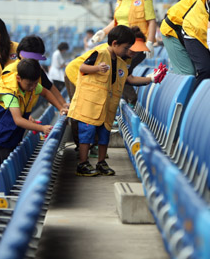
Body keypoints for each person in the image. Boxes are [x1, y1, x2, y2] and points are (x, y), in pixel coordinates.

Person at [68, 25, 166, 177]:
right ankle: (83, 163)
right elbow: (82, 67)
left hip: (107, 106)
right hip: (90, 104)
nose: (128, 52)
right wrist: (97, 69)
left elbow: (129, 79)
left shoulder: (121, 62)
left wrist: (151, 78)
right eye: (126, 48)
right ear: (114, 44)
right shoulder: (99, 53)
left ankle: (101, 162)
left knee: (104, 135)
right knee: (86, 135)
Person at [0, 58, 66, 182]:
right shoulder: (9, 92)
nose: (33, 88)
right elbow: (18, 120)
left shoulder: (31, 84)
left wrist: (60, 107)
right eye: (29, 85)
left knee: (7, 164)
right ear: (18, 79)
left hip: (5, 128)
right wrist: (42, 128)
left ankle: (2, 191)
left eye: (35, 83)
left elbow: (46, 92)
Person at [92, 0, 157, 61]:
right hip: (120, 43)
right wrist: (104, 32)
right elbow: (116, 22)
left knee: (122, 71)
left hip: (136, 43)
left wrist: (150, 42)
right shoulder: (120, 1)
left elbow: (152, 21)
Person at [160, 0, 210, 75]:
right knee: (187, 73)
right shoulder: (207, 1)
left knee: (200, 70)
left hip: (185, 32)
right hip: (172, 31)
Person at [16, 35, 68, 110]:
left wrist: (64, 105)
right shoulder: (13, 71)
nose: (36, 62)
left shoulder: (37, 69)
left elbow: (49, 87)